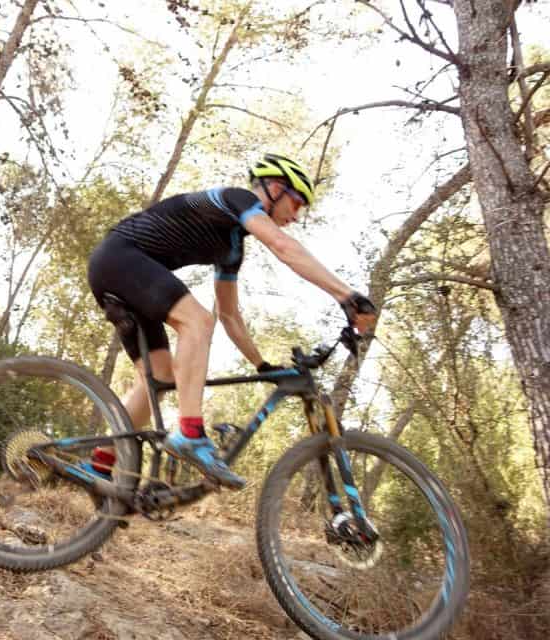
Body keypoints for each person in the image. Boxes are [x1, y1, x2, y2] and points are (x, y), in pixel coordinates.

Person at [81, 153, 376, 487]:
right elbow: (282, 246)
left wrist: (261, 364)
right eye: (296, 203)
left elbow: (230, 315)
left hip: (122, 271)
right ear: (275, 188)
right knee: (197, 321)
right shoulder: (237, 200)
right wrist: (347, 296)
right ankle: (190, 433)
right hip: (120, 257)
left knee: (160, 375)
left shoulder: (232, 247)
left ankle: (99, 465)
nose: (296, 215)